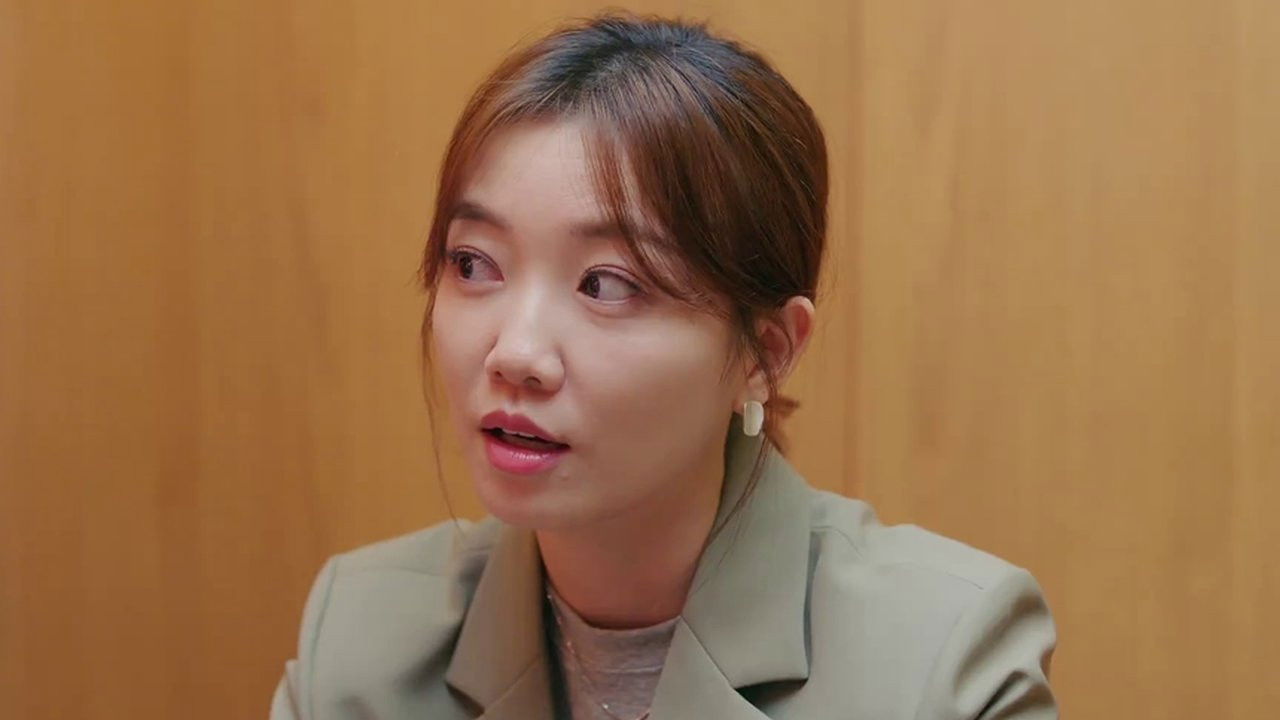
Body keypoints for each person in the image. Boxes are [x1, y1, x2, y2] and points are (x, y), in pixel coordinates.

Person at [270, 12, 1058, 720]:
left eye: (606, 285)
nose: (515, 353)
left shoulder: (943, 660)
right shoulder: (361, 641)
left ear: (766, 352)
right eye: (474, 264)